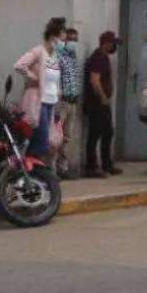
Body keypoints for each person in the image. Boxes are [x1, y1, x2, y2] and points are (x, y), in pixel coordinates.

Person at [14, 17, 65, 166]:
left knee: (45, 141)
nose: (63, 44)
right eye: (62, 40)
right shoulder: (38, 52)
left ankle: (31, 169)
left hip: (49, 103)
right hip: (37, 102)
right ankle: (28, 167)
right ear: (53, 37)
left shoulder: (54, 57)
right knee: (41, 141)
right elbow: (19, 65)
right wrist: (34, 77)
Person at [83, 31, 123, 178]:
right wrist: (103, 97)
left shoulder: (104, 57)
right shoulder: (98, 58)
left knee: (107, 132)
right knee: (95, 134)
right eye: (113, 44)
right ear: (106, 43)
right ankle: (91, 166)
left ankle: (107, 163)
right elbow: (94, 80)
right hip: (97, 102)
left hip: (102, 102)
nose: (114, 47)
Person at [54, 27, 82, 180]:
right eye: (70, 40)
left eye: (75, 40)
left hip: (72, 102)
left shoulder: (73, 57)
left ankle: (62, 168)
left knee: (67, 137)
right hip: (61, 102)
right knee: (56, 136)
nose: (73, 43)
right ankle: (53, 168)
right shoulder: (58, 56)